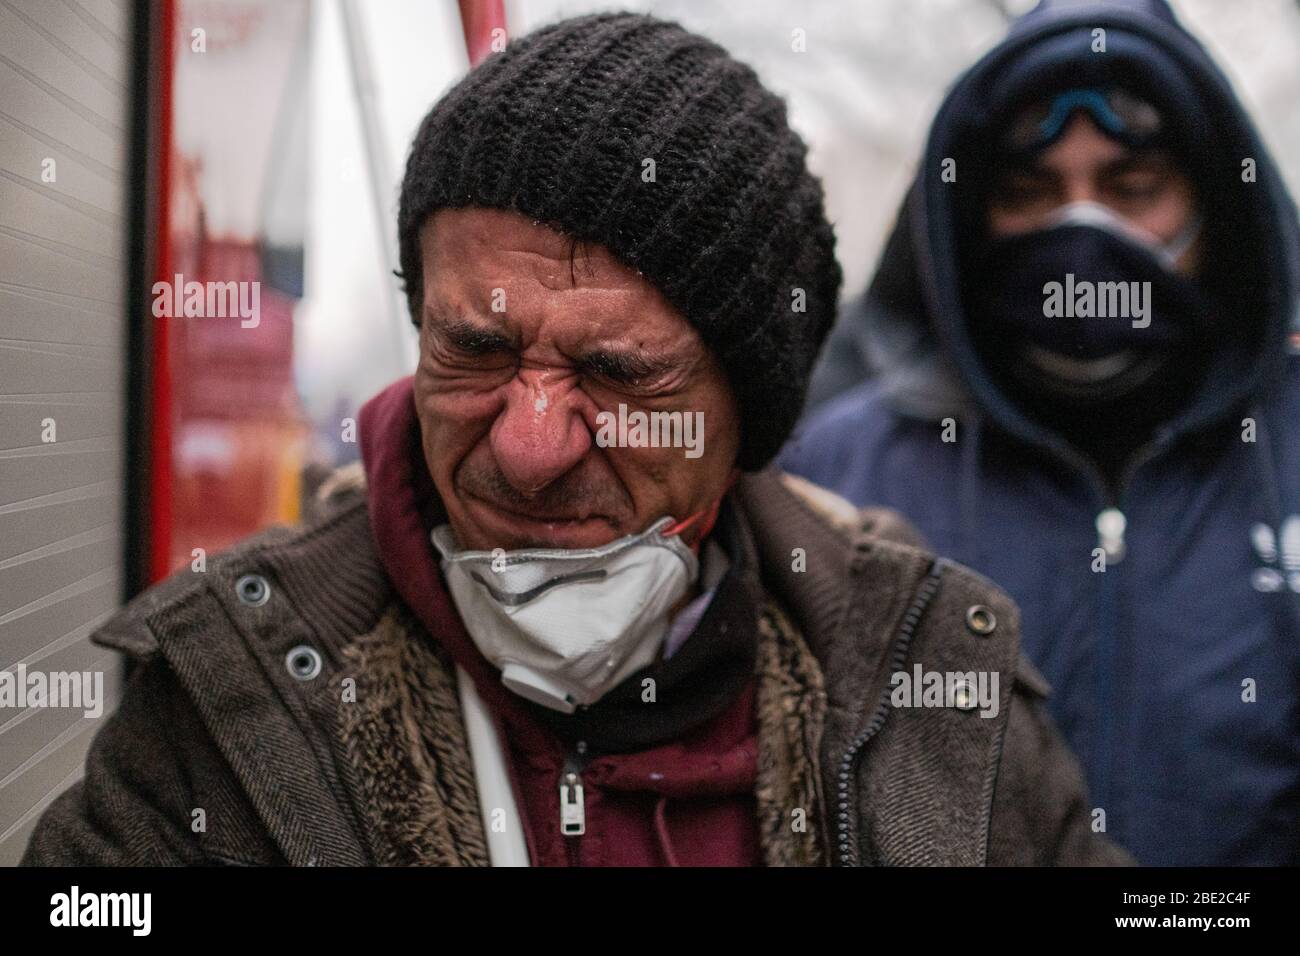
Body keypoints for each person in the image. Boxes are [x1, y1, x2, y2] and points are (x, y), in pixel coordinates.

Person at [22, 12, 1126, 867]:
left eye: (618, 374)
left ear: (748, 417)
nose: (529, 446)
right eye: (475, 350)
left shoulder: (931, 680)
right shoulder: (228, 698)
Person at [784, 0, 1300, 865]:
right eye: (1030, 193)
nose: (1080, 230)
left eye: (1132, 188)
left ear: (1214, 203)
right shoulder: (841, 474)